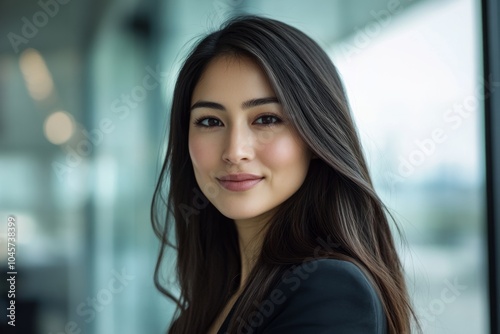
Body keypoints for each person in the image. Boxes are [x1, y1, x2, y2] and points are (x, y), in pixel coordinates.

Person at [151, 15, 418, 334]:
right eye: (210, 121)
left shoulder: (330, 289)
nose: (235, 151)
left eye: (265, 119)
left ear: (315, 137)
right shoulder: (209, 305)